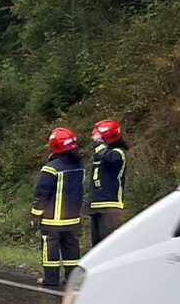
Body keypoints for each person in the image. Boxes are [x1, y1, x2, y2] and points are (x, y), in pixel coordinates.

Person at [30, 127, 84, 289]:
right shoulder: (80, 166)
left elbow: (41, 194)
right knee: (72, 249)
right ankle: (72, 279)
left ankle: (51, 279)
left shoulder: (51, 168)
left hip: (52, 220)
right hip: (73, 219)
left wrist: (35, 215)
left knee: (50, 249)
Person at [89, 119, 129, 246]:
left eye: (99, 137)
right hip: (96, 206)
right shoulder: (100, 155)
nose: (95, 140)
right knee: (97, 247)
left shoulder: (118, 153)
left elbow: (110, 159)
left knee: (109, 245)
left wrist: (100, 147)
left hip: (111, 207)